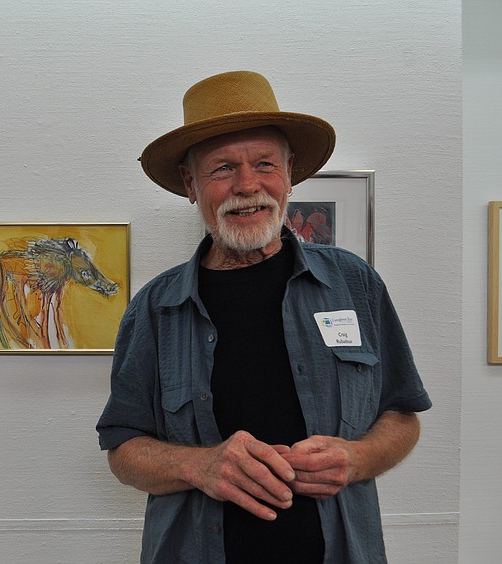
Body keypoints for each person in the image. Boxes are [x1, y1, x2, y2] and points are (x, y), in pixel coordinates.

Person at [96, 71, 431, 563]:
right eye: (223, 169)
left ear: (290, 173)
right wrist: (200, 465)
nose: (247, 185)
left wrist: (356, 458)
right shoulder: (155, 307)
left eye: (265, 164)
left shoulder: (354, 283)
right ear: (191, 184)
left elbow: (401, 413)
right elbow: (123, 449)